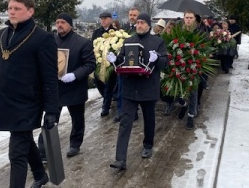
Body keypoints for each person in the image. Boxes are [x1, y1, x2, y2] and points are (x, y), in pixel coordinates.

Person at [0, 0, 59, 188]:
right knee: (24, 140)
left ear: (30, 12)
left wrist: (52, 110)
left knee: (16, 153)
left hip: (28, 103)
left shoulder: (43, 38)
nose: (11, 12)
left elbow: (49, 76)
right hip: (7, 102)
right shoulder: (1, 35)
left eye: (17, 9)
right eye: (10, 8)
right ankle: (40, 175)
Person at [107, 13, 168, 170]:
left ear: (148, 25)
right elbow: (122, 59)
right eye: (137, 23)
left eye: (142, 23)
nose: (139, 25)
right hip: (129, 88)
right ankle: (120, 159)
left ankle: (148, 144)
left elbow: (164, 63)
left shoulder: (158, 41)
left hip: (148, 88)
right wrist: (114, 59)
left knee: (149, 119)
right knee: (125, 123)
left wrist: (158, 59)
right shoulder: (129, 41)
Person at [37, 13, 96, 159]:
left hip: (74, 87)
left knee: (77, 119)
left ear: (70, 24)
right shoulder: (51, 41)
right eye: (57, 22)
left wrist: (75, 75)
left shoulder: (82, 42)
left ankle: (75, 144)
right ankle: (43, 150)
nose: (59, 25)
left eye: (63, 22)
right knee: (50, 118)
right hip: (55, 88)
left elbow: (90, 64)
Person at [91, 11, 117, 117]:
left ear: (110, 19)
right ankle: (107, 98)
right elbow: (92, 45)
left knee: (109, 84)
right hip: (98, 63)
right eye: (101, 19)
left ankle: (105, 107)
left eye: (105, 18)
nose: (103, 20)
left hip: (110, 64)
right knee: (98, 82)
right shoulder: (96, 32)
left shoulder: (116, 32)